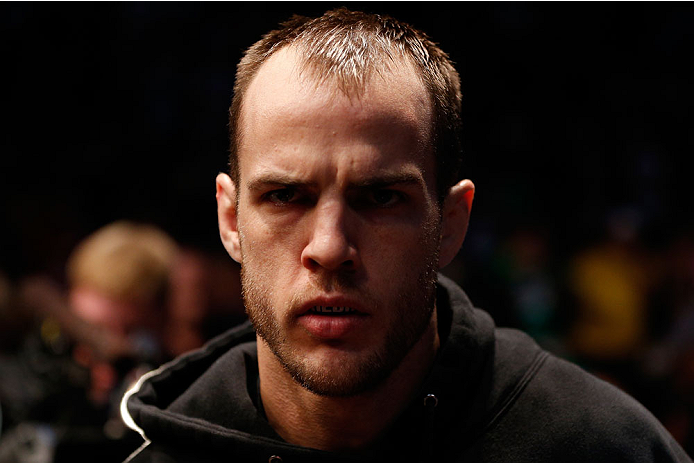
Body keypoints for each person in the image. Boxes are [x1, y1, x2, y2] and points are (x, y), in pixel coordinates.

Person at [121, 8, 692, 462]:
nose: (329, 247)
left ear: (452, 224)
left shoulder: (605, 447)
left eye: (382, 198)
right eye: (286, 196)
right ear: (230, 220)